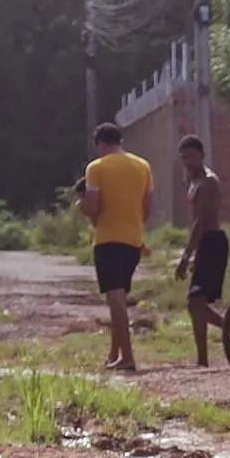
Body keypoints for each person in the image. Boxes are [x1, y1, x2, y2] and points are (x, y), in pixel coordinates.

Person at [76, 122, 155, 373]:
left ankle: (128, 357)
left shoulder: (96, 168)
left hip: (108, 240)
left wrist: (82, 208)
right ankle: (114, 353)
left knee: (116, 300)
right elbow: (148, 206)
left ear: (100, 143)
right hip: (133, 240)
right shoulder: (143, 166)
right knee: (118, 299)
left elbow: (93, 207)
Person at [175, 134, 230, 368]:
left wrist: (186, 254)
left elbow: (202, 220)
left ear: (202, 156)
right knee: (194, 303)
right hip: (204, 244)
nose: (188, 161)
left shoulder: (208, 181)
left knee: (195, 302)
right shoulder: (192, 180)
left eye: (192, 157)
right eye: (184, 158)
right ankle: (202, 359)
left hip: (213, 242)